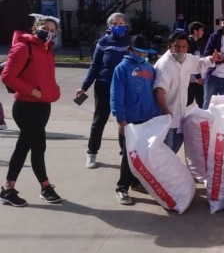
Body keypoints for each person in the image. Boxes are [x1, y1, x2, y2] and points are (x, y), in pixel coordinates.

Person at [0, 13, 61, 207]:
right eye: (45, 29)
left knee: (31, 146)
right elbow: (7, 76)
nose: (49, 33)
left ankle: (12, 188)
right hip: (26, 107)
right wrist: (33, 92)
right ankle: (40, 187)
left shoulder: (47, 50)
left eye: (53, 31)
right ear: (35, 28)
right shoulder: (23, 47)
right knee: (33, 146)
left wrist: (53, 91)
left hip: (43, 106)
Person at [75, 12, 131, 169]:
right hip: (104, 85)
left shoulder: (130, 42)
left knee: (124, 122)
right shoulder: (103, 42)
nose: (118, 26)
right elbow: (94, 66)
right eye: (115, 24)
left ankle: (124, 154)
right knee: (99, 120)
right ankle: (91, 153)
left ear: (127, 26)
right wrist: (84, 86)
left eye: (121, 24)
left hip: (125, 88)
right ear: (109, 26)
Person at [110, 34, 160, 205]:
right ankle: (121, 187)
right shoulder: (122, 69)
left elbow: (153, 93)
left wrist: (156, 114)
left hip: (146, 117)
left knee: (141, 154)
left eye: (145, 53)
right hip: (129, 120)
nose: (142, 56)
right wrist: (120, 119)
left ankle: (135, 181)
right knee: (128, 155)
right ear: (129, 50)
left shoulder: (149, 68)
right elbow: (116, 95)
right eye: (138, 53)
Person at [154, 32, 220, 153]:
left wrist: (211, 59)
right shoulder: (165, 64)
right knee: (165, 152)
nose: (180, 49)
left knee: (173, 149)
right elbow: (159, 90)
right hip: (166, 117)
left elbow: (199, 64)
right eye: (177, 46)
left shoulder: (186, 58)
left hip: (180, 115)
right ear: (170, 46)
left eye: (184, 47)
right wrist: (165, 110)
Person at [187, 21, 205, 108]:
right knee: (198, 101)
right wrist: (198, 77)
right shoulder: (191, 43)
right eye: (201, 30)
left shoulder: (194, 43)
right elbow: (191, 61)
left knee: (195, 100)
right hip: (192, 79)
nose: (203, 32)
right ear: (195, 31)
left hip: (193, 79)